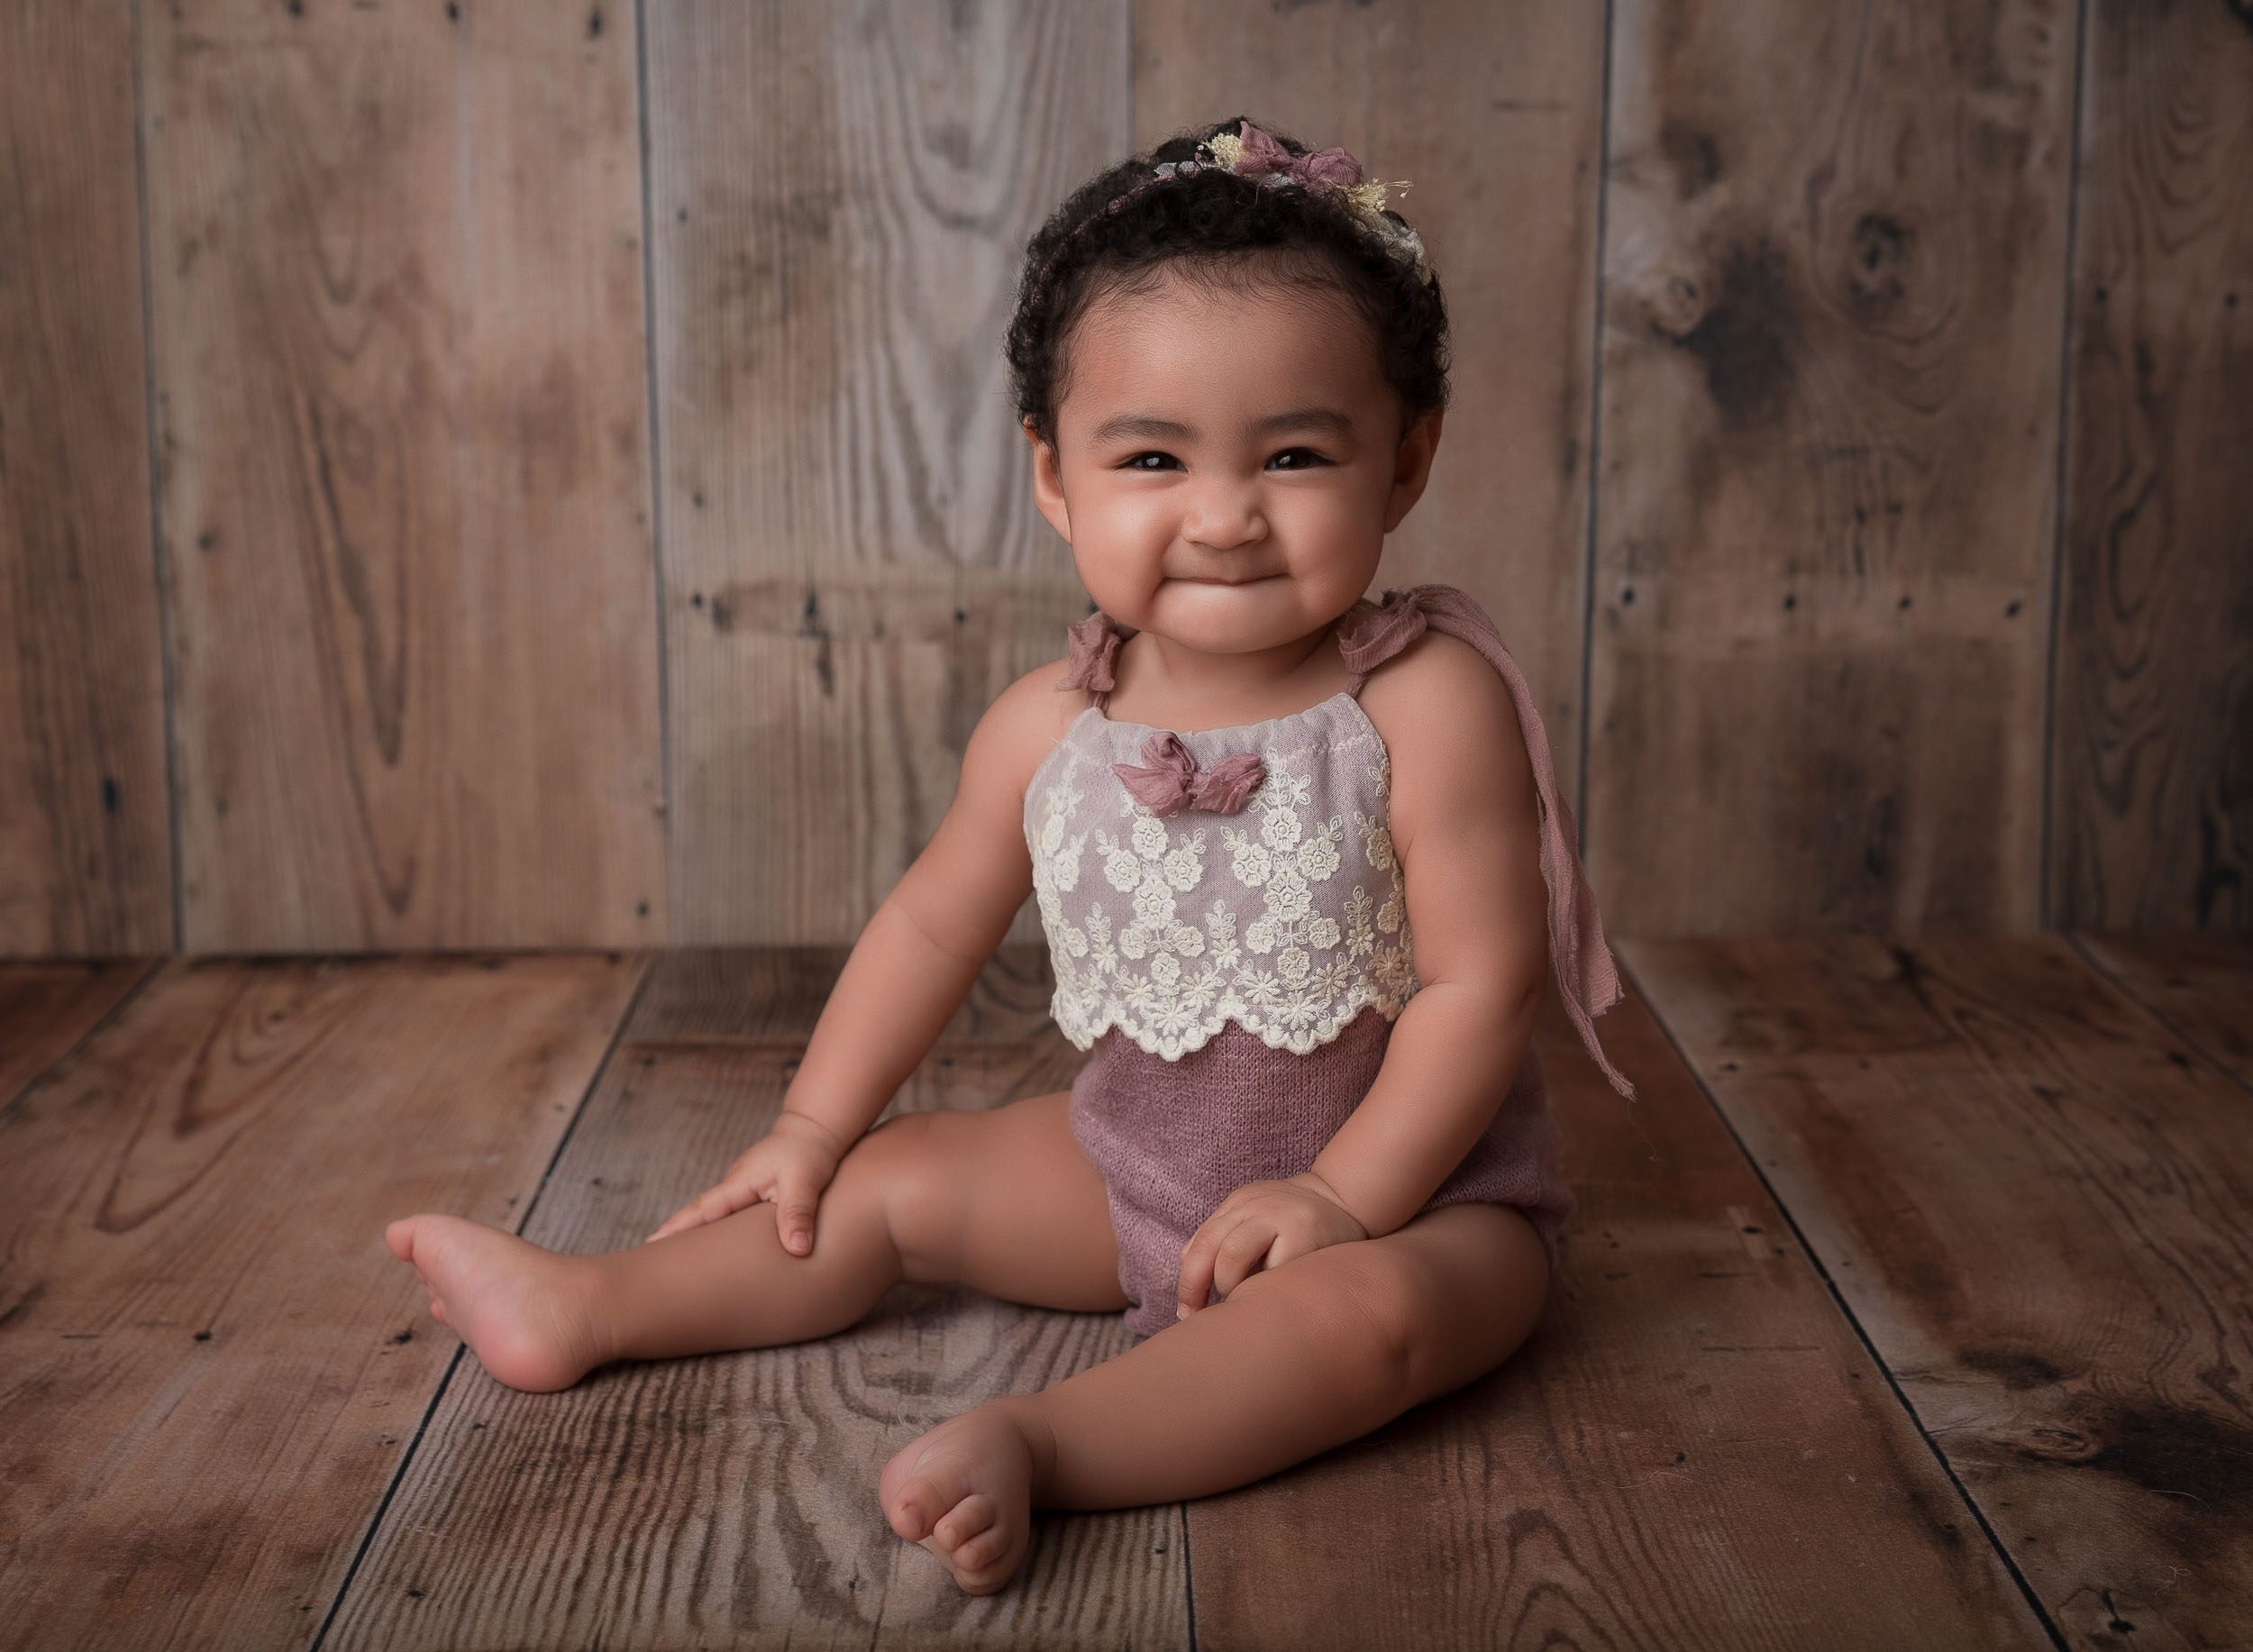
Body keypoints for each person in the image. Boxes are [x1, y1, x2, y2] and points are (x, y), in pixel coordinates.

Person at [384, 115, 1637, 1596]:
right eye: (1153, 455)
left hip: (1426, 1203)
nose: (1226, 514)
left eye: (1296, 453)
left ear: (1406, 458)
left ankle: (1049, 1440)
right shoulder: (1050, 726)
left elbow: (1480, 989)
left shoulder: (1423, 702)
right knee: (895, 1181)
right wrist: (808, 1123)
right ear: (1057, 477)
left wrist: (1344, 1198)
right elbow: (929, 928)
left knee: (1368, 1325)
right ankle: (594, 1304)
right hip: (1135, 1177)